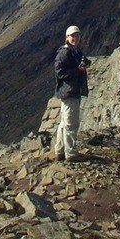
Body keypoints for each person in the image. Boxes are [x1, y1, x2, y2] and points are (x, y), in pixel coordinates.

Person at [52, 24, 89, 162]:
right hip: (70, 91)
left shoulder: (75, 51)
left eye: (77, 35)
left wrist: (84, 64)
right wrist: (77, 71)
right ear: (67, 38)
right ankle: (71, 153)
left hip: (71, 91)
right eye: (72, 36)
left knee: (64, 122)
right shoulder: (65, 53)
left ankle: (60, 150)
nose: (75, 38)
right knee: (71, 123)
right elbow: (60, 72)